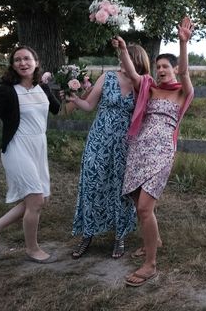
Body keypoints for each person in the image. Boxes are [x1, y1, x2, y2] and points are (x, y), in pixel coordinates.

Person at [115, 17, 195, 287]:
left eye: (165, 66)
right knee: (140, 201)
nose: (161, 70)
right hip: (138, 149)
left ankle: (150, 264)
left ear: (173, 69)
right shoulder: (149, 89)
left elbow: (185, 71)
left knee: (145, 208)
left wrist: (183, 44)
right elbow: (135, 75)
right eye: (158, 65)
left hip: (161, 153)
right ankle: (155, 240)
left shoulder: (183, 92)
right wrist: (124, 51)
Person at [0, 46, 60, 263]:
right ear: (12, 65)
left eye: (27, 59)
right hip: (17, 147)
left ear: (36, 61)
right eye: (17, 60)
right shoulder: (6, 91)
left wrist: (78, 92)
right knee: (35, 200)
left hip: (38, 147)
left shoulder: (43, 87)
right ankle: (32, 250)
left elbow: (59, 110)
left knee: (40, 200)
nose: (23, 63)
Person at [67, 43, 151, 260]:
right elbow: (89, 106)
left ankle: (119, 235)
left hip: (125, 145)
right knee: (92, 183)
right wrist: (76, 100)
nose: (122, 61)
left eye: (127, 58)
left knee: (121, 189)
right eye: (122, 57)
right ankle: (87, 234)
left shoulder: (141, 84)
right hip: (99, 140)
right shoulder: (107, 77)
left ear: (136, 61)